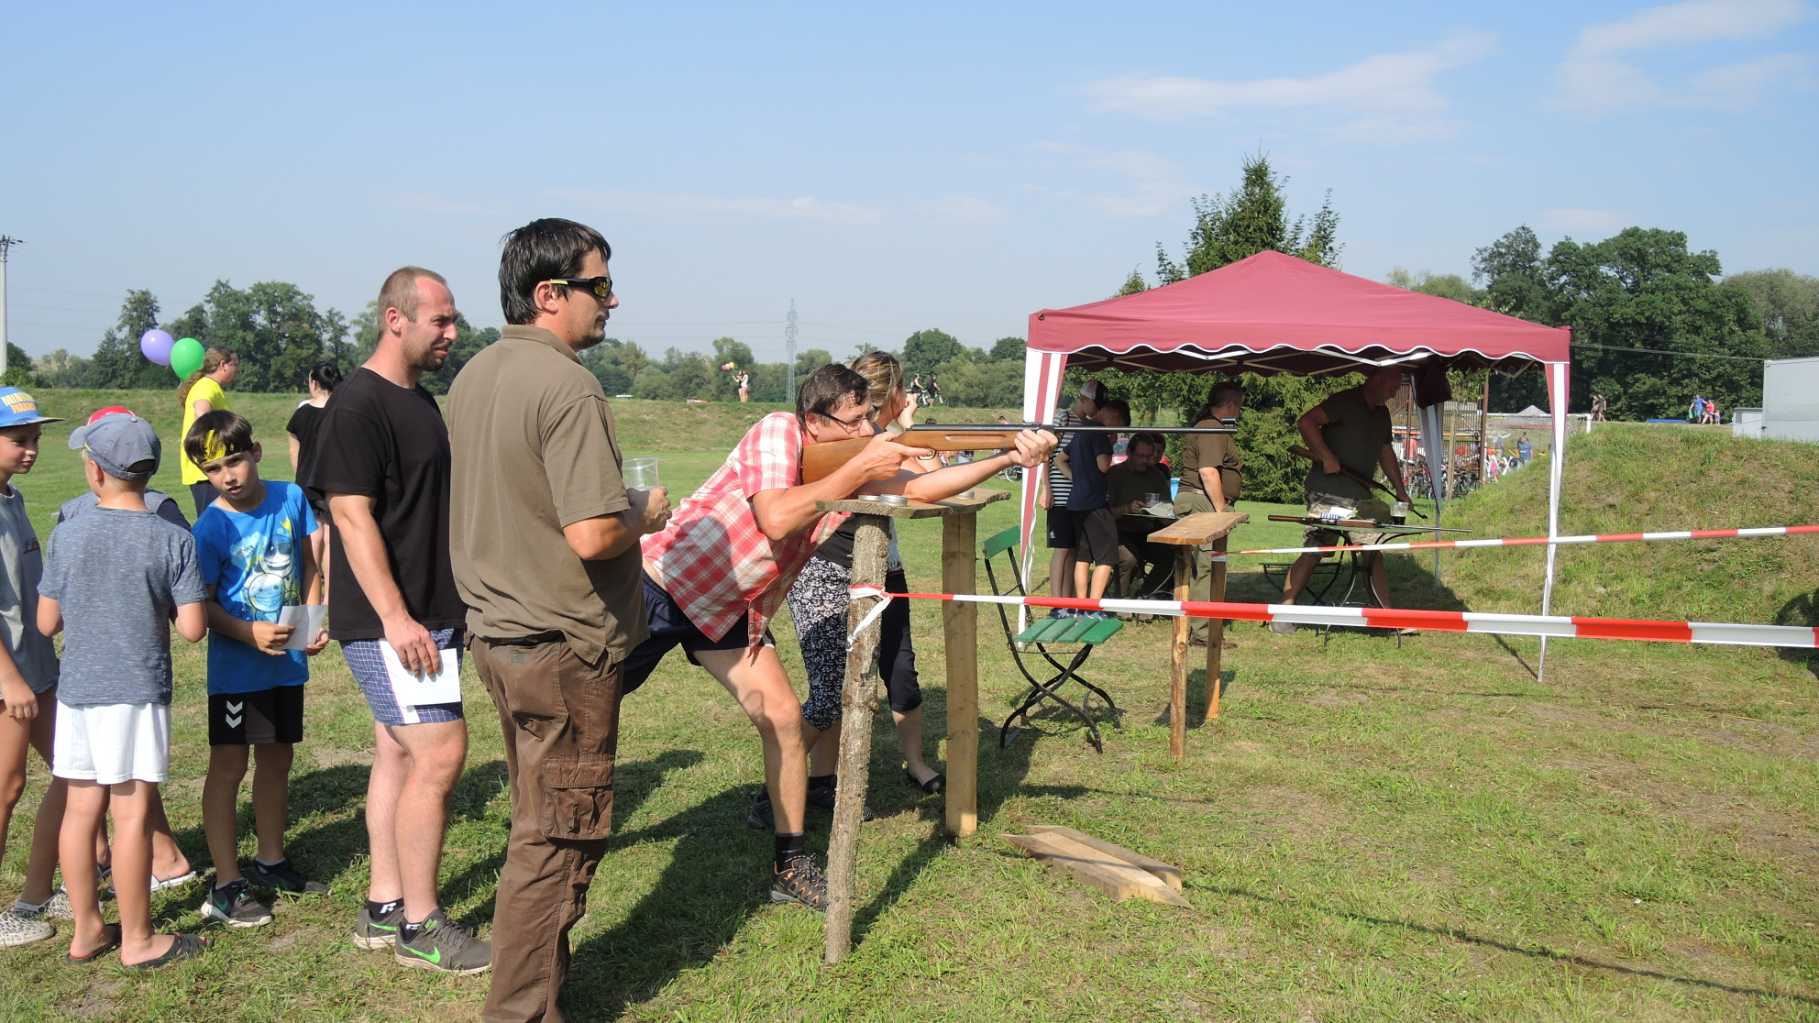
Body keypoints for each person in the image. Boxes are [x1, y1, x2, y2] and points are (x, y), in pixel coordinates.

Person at [625, 364, 1054, 911]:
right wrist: (860, 467)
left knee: (784, 718)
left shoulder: (851, 455)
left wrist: (1008, 457)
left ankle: (790, 865)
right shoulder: (778, 429)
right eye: (853, 421)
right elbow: (777, 517)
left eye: (869, 417)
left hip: (732, 608)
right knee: (584, 711)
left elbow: (921, 488)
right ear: (815, 420)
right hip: (662, 583)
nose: (864, 430)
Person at [448, 218, 671, 1021]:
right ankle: (522, 1011)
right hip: (561, 646)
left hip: (502, 637)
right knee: (558, 838)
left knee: (538, 822)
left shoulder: (474, 374)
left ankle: (544, 986)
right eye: (599, 285)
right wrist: (642, 512)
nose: (612, 300)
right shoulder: (568, 384)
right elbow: (591, 532)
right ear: (551, 295)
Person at [305, 266, 488, 973]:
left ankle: (385, 904)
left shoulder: (420, 399)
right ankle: (422, 924)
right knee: (439, 753)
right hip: (393, 623)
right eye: (439, 320)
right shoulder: (356, 406)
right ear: (394, 318)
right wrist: (397, 618)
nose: (452, 331)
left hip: (428, 613)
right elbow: (350, 517)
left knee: (396, 751)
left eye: (452, 319)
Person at [39, 412, 209, 969]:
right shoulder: (171, 537)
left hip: (77, 691)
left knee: (80, 810)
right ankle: (138, 940)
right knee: (130, 814)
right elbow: (191, 628)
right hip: (135, 691)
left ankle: (86, 928)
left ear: (94, 472)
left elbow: (46, 624)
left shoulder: (67, 532)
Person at [781, 352, 944, 833]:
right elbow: (922, 483)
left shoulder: (879, 440)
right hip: (832, 570)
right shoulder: (864, 445)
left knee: (882, 676)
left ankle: (823, 783)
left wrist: (911, 433)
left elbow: (930, 475)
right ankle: (779, 786)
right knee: (832, 694)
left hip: (881, 568)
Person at [187, 411, 331, 930]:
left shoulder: (291, 498)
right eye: (213, 470)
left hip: (285, 668)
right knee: (228, 769)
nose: (228, 476)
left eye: (234, 461)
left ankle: (271, 860)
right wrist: (247, 633)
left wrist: (310, 621)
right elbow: (199, 607)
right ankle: (226, 880)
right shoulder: (210, 527)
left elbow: (310, 561)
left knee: (278, 759)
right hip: (234, 673)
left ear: (255, 453)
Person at [0, 390, 66, 948]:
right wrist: (9, 678)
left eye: (35, 440)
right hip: (9, 677)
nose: (31, 450)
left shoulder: (12, 498)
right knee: (6, 785)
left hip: (38, 666)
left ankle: (39, 892)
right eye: (19, 440)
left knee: (74, 765)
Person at [1275, 366, 1412, 633]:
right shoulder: (1344, 401)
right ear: (1376, 379)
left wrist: (1400, 489)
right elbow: (1306, 422)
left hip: (1358, 496)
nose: (1395, 391)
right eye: (1392, 385)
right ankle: (1283, 612)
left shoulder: (1382, 414)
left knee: (1372, 551)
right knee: (1317, 547)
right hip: (1327, 492)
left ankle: (1386, 617)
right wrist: (1325, 456)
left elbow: (1386, 453)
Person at [1174, 382, 1244, 644]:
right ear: (1229, 405)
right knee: (1206, 568)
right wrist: (1221, 510)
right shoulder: (1211, 428)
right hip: (1203, 502)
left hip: (1200, 502)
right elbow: (1208, 471)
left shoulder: (1208, 427)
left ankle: (1200, 625)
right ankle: (1203, 632)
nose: (1239, 412)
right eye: (1238, 406)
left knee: (1204, 567)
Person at [1059, 397, 1131, 613]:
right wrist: (1110, 444)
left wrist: (1076, 478)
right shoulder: (1100, 432)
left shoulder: (1082, 429)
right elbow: (1103, 466)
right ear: (1114, 416)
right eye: (1120, 427)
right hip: (1095, 504)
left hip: (1076, 502)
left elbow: (1060, 459)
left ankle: (1082, 605)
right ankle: (1094, 606)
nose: (1118, 432)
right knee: (1106, 558)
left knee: (1083, 556)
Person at [1039, 381, 1106, 600]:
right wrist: (1046, 488)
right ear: (1084, 400)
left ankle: (1067, 599)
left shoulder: (1087, 425)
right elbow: (1046, 455)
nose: (1096, 411)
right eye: (1094, 405)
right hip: (1060, 494)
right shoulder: (1063, 418)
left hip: (1078, 496)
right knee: (1062, 548)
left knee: (1074, 550)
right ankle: (1056, 600)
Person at [287, 363, 342, 599]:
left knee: (313, 535)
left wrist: (300, 476)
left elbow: (294, 452)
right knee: (331, 538)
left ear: (314, 382)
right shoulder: (341, 411)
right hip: (334, 479)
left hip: (306, 480)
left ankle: (312, 590)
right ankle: (330, 594)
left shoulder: (301, 413)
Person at [1106, 432, 1173, 599]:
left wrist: (1162, 513)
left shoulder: (1156, 475)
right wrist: (1127, 508)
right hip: (1117, 532)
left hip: (1147, 532)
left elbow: (1167, 505)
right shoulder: (1115, 475)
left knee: (1169, 555)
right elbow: (1103, 512)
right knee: (1129, 558)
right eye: (1140, 456)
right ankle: (1119, 599)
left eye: (1148, 456)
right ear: (1129, 453)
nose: (1145, 460)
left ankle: (1145, 596)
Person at [177, 346, 240, 516]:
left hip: (211, 469)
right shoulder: (206, 386)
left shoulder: (210, 386)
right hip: (207, 470)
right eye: (234, 364)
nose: (237, 369)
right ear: (223, 365)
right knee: (214, 522)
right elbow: (202, 413)